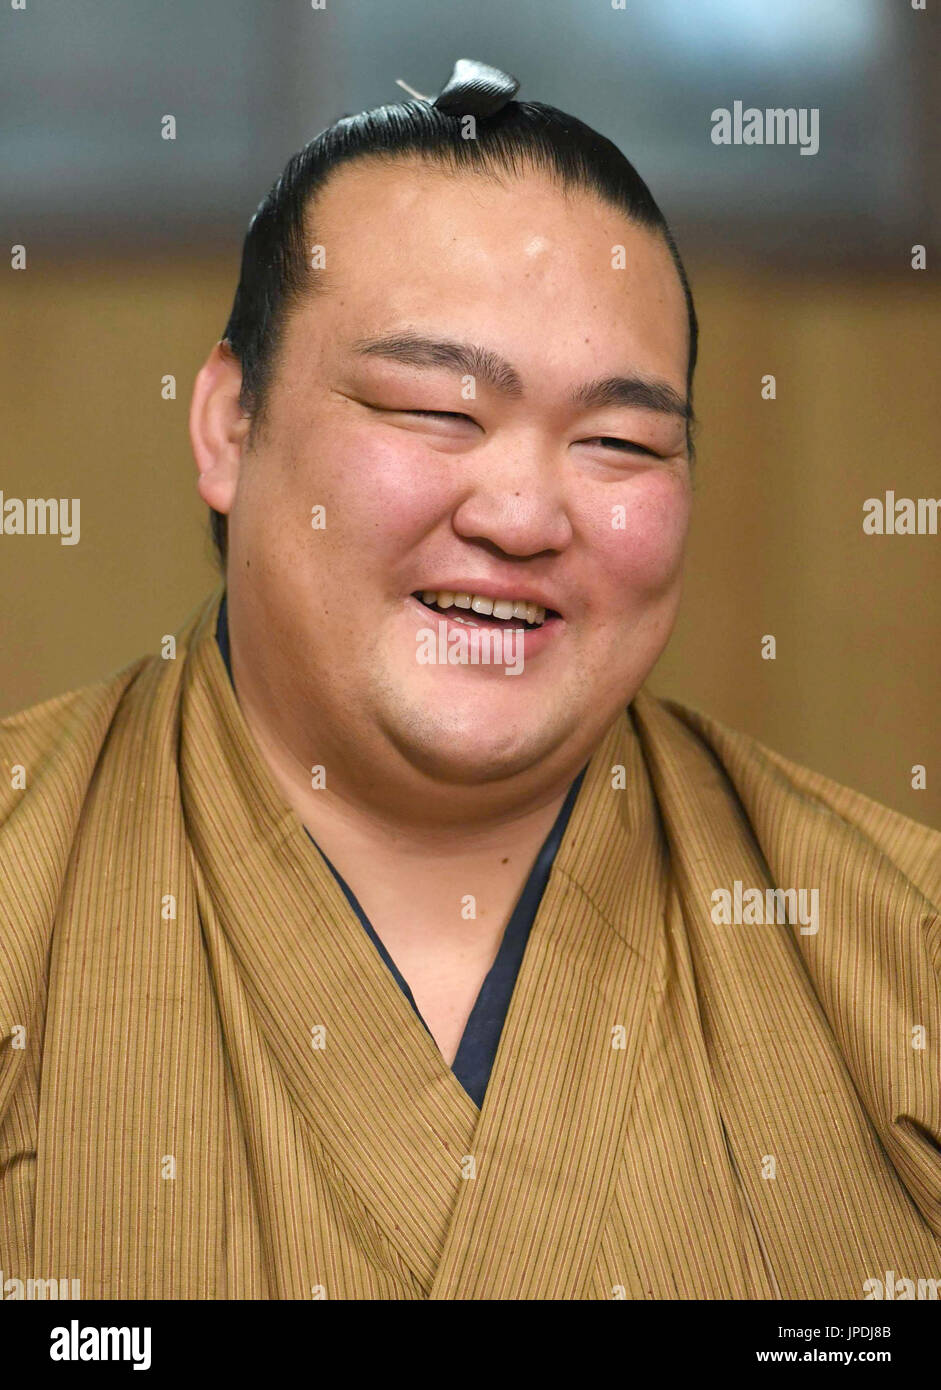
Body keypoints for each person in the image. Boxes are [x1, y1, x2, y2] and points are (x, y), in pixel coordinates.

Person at [1, 60, 938, 1301]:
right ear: (229, 425)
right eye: (436, 408)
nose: (520, 513)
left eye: (619, 443)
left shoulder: (897, 950)